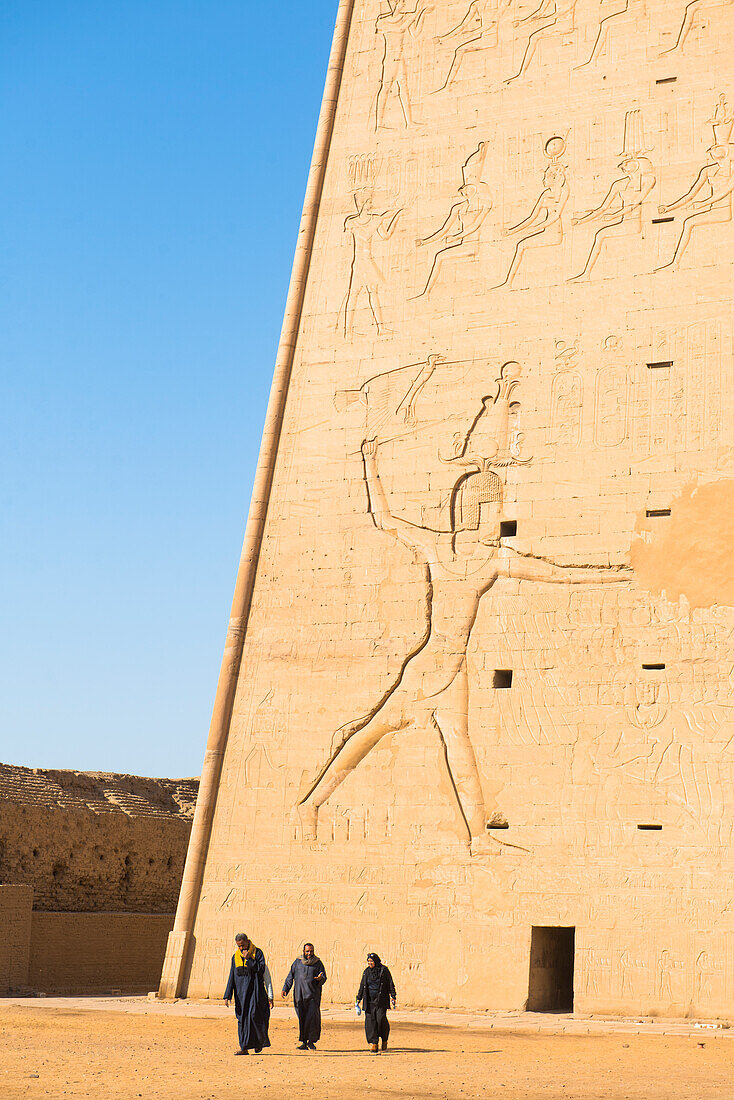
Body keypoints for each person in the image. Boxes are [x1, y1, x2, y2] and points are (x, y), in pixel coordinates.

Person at [223, 933, 274, 1055]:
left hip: (255, 993)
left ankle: (258, 1043)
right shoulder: (235, 957)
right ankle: (244, 1047)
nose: (241, 948)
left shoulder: (258, 953)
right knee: (242, 1019)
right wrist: (227, 994)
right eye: (238, 946)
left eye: (242, 945)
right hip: (241, 994)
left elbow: (261, 969)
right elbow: (232, 976)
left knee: (254, 1016)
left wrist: (249, 959)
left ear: (247, 941)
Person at [281, 942, 327, 1050]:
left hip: (312, 996)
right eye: (307, 951)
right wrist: (285, 989)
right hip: (299, 997)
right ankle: (304, 1042)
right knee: (302, 1018)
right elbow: (290, 976)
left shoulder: (318, 963)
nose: (309, 953)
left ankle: (311, 1041)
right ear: (303, 951)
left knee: (312, 1019)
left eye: (311, 951)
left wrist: (320, 978)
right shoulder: (297, 962)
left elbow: (323, 976)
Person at [356, 952, 396, 1052]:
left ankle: (384, 1039)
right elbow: (362, 985)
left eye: (371, 961)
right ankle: (374, 1043)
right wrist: (358, 998)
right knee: (370, 1021)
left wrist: (393, 995)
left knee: (380, 1019)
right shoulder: (366, 972)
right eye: (368, 961)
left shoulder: (384, 970)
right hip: (369, 1000)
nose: (370, 963)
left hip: (381, 1000)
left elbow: (390, 983)